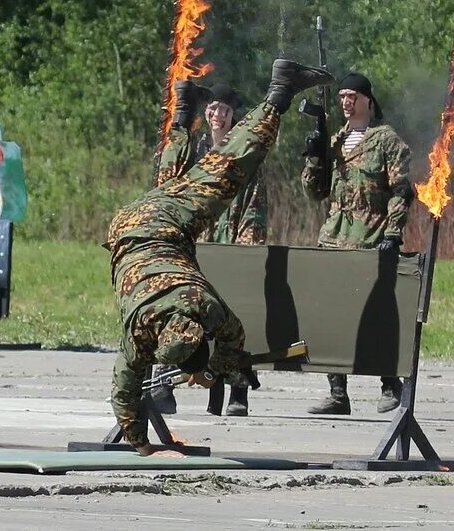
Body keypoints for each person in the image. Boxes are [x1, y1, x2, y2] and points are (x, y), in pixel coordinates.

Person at [107, 59, 333, 455]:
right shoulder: (153, 326)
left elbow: (232, 337)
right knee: (193, 177)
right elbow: (123, 394)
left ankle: (258, 96)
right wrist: (145, 445)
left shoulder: (189, 312)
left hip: (159, 225)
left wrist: (210, 372)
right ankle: (196, 106)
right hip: (133, 227)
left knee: (226, 169)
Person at [150, 83, 267, 417]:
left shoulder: (243, 155)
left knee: (232, 318)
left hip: (230, 244)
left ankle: (238, 388)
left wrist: (245, 251)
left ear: (233, 116)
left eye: (225, 110)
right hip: (197, 245)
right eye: (213, 109)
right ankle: (167, 383)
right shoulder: (197, 153)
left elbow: (254, 207)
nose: (217, 116)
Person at [301, 72, 413, 415]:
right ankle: (337, 392)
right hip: (335, 240)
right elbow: (314, 192)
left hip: (372, 237)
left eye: (352, 96)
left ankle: (390, 385)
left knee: (377, 316)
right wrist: (315, 155)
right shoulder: (335, 141)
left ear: (367, 100)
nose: (346, 102)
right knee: (333, 316)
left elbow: (401, 192)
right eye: (342, 97)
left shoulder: (385, 140)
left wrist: (393, 233)